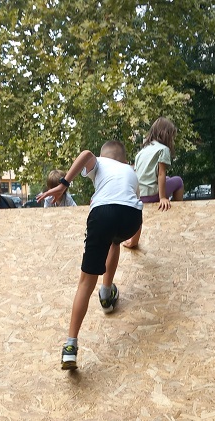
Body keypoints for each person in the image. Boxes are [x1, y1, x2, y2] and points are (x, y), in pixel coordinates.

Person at [37, 140, 143, 370]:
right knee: (115, 242)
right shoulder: (131, 171)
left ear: (105, 156)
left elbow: (86, 153)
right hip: (131, 218)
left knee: (86, 281)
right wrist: (133, 242)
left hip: (103, 212)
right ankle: (106, 294)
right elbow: (136, 204)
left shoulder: (101, 163)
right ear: (124, 159)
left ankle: (70, 347)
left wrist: (63, 184)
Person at [122, 117, 183, 248]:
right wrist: (162, 197)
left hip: (139, 195)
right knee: (178, 181)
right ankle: (178, 212)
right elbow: (161, 174)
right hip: (152, 195)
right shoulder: (163, 149)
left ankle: (133, 240)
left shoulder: (142, 152)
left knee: (168, 179)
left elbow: (139, 174)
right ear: (166, 134)